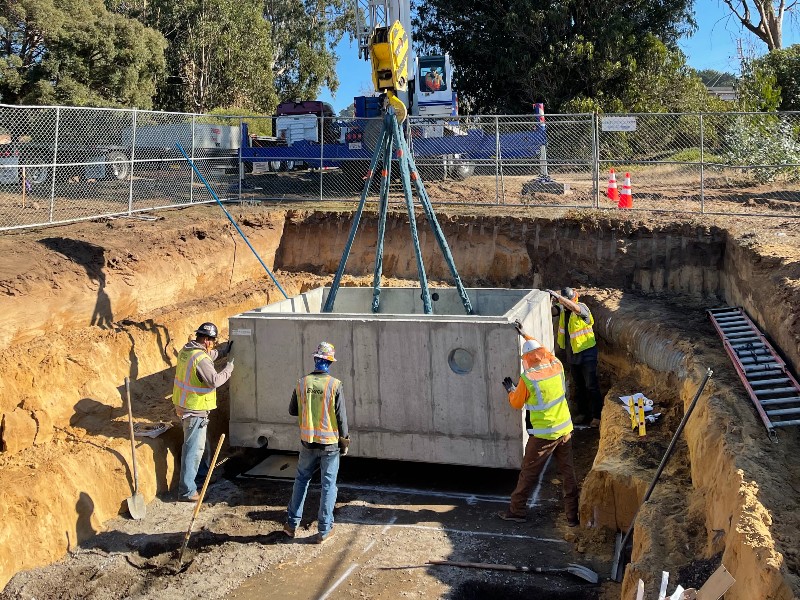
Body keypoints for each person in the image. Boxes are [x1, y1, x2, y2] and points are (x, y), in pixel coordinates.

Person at [497, 327, 579, 527]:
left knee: (529, 472)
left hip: (544, 434)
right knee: (568, 472)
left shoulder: (529, 379)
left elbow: (517, 403)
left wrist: (511, 390)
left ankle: (516, 510)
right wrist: (526, 335)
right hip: (565, 428)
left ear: (526, 358)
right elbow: (541, 350)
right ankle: (572, 516)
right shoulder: (556, 364)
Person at [284, 342, 350, 544]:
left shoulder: (302, 383)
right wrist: (344, 441)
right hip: (329, 444)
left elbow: (292, 410)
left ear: (315, 359)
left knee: (301, 480)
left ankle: (291, 524)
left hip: (307, 442)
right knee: (328, 485)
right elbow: (341, 418)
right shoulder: (334, 385)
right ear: (329, 362)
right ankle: (324, 529)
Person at [172, 322, 233, 502]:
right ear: (206, 340)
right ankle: (187, 491)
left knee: (201, 445)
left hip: (185, 405)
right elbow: (214, 380)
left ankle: (201, 476)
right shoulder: (201, 359)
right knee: (193, 449)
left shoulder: (187, 351)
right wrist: (229, 369)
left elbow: (209, 356)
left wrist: (223, 352)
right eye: (212, 341)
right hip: (194, 409)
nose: (213, 345)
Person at [549, 287, 602, 428]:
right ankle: (583, 413)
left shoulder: (582, 308)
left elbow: (575, 308)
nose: (565, 305)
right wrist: (550, 301)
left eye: (567, 301)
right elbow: (552, 311)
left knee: (591, 386)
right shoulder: (562, 310)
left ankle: (597, 416)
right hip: (572, 355)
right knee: (579, 386)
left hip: (587, 353)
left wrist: (560, 298)